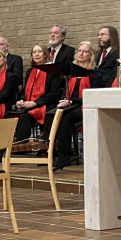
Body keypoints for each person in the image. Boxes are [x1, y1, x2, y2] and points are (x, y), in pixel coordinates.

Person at [0, 44, 62, 163]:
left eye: (39, 52)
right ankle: (4, 150)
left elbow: (54, 94)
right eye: (34, 52)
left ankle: (19, 150)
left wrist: (35, 103)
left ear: (45, 54)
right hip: (29, 105)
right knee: (8, 115)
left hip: (45, 105)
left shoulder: (53, 71)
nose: (36, 54)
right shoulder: (30, 71)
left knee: (24, 117)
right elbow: (25, 91)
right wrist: (21, 100)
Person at [49, 41, 102, 169]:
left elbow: (93, 95)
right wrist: (63, 100)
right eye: (79, 51)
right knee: (51, 114)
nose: (81, 54)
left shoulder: (95, 73)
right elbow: (64, 90)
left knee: (65, 117)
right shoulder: (71, 73)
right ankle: (50, 152)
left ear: (91, 55)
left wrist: (72, 101)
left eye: (85, 51)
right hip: (70, 104)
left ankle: (64, 156)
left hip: (84, 106)